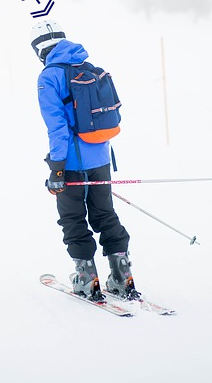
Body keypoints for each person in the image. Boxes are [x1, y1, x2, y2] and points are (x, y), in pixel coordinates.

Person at [31, 20, 139, 301]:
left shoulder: (49, 77)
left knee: (73, 218)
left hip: (71, 163)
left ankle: (86, 279)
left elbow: (57, 128)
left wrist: (57, 168)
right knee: (104, 214)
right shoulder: (89, 68)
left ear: (39, 49)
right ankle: (122, 276)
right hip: (101, 157)